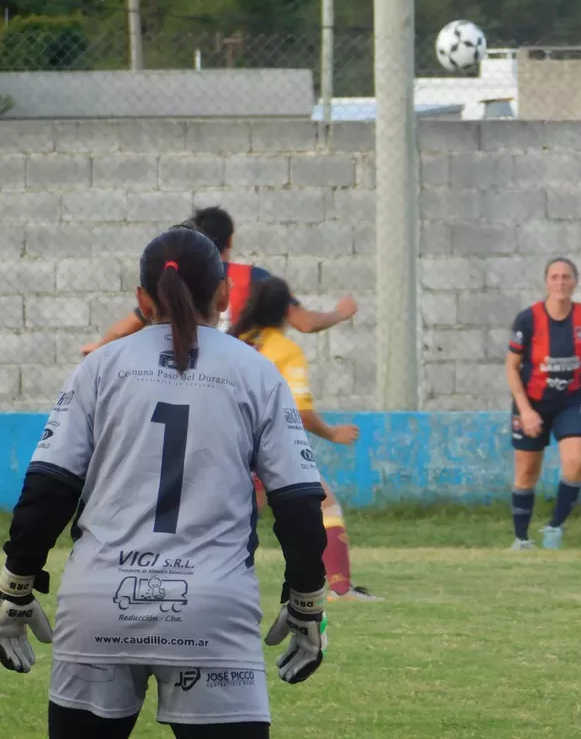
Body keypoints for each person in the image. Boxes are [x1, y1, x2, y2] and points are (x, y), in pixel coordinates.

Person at [0, 227, 330, 738]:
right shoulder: (257, 373)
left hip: (100, 606)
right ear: (222, 294)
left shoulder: (98, 369)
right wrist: (307, 600)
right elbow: (299, 503)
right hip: (212, 613)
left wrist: (16, 588)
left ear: (141, 298)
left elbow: (48, 489)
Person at [229, 276, 381, 603]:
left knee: (230, 518)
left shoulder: (235, 341)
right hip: (267, 450)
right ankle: (340, 588)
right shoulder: (286, 351)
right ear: (287, 310)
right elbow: (301, 412)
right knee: (324, 503)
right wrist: (332, 433)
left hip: (228, 445)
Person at [80, 205, 357, 355]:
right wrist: (340, 313)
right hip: (240, 383)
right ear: (231, 239)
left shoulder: (179, 276)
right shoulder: (254, 279)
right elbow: (306, 324)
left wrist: (100, 346)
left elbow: (126, 327)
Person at [505, 257, 581, 551]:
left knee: (575, 462)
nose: (560, 282)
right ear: (546, 283)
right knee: (527, 472)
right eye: (554, 277)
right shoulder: (528, 319)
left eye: (566, 277)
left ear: (575, 282)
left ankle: (554, 526)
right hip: (531, 402)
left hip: (570, 400)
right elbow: (511, 367)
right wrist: (526, 410)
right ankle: (521, 539)